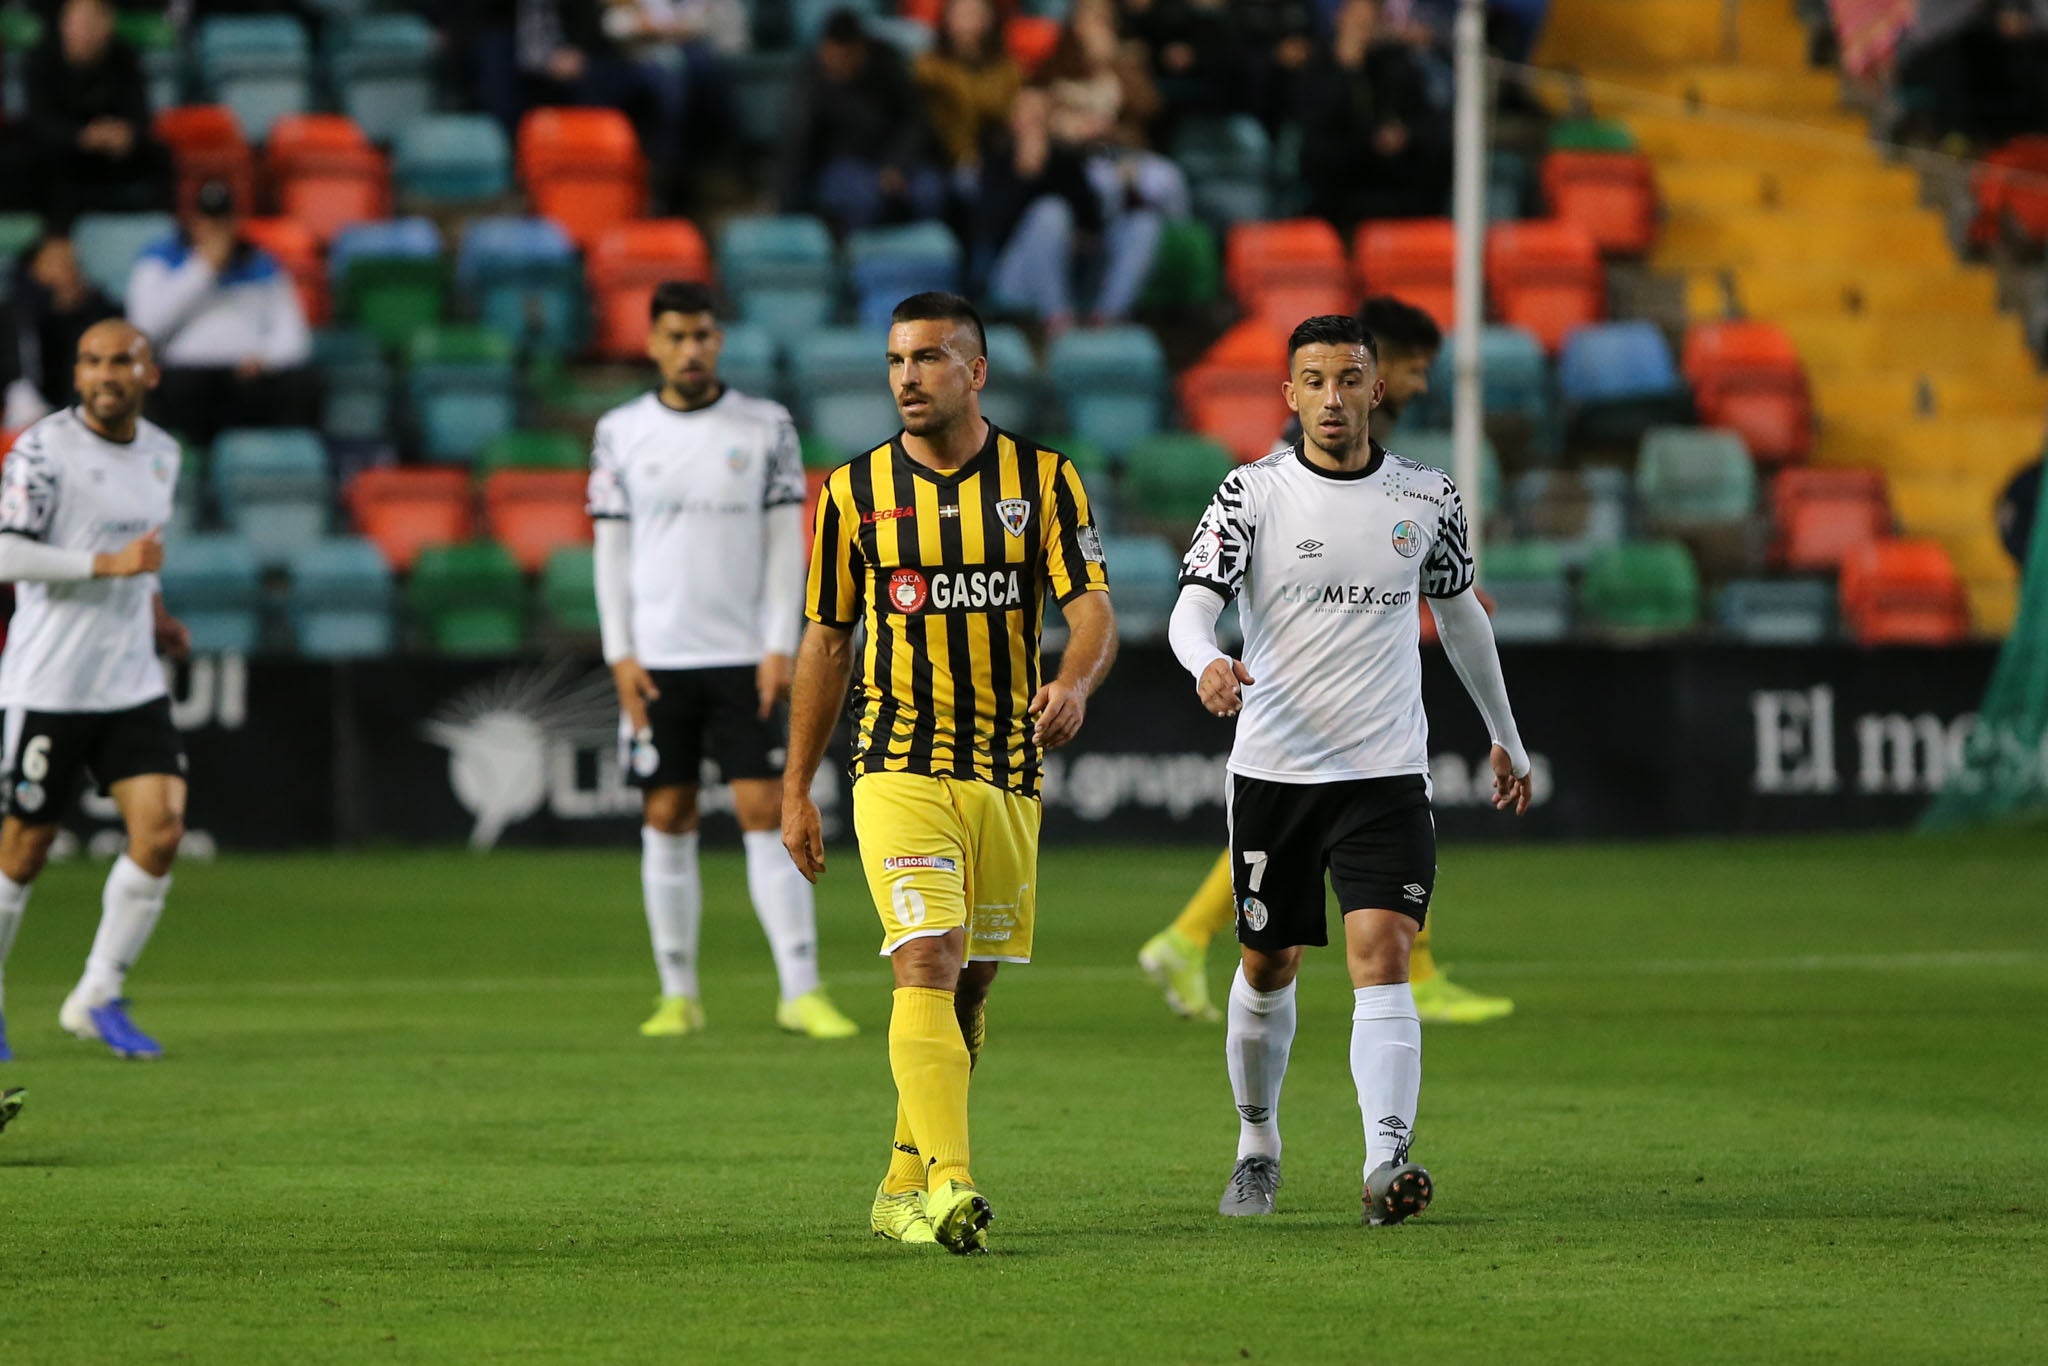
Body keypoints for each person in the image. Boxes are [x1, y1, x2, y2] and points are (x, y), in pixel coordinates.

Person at [1168, 314, 1531, 1224]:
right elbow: (1191, 608)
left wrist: (1505, 733)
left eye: (1350, 379)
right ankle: (1258, 1144)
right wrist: (1205, 660)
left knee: (1385, 953)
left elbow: (1461, 619)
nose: (1334, 397)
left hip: (1384, 772)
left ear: (1377, 389)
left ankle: (1385, 1164)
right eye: (1315, 381)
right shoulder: (1252, 493)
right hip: (1277, 773)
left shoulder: (1428, 496)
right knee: (1267, 961)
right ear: (1290, 395)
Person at [781, 292, 1116, 1254]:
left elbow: (1091, 608)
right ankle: (955, 1186)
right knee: (922, 956)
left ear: (976, 371)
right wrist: (797, 782)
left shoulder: (1044, 482)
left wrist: (1075, 679)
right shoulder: (851, 492)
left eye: (927, 358)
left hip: (1007, 769)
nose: (907, 378)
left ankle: (899, 1185)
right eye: (895, 361)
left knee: (965, 993)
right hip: (897, 761)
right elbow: (827, 639)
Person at [1142, 296, 1515, 1026]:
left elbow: (1389, 546)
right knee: (1278, 943)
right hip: (1294, 714)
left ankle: (1408, 984)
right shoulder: (1281, 470)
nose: (1421, 384)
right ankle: (1190, 942)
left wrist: (1452, 592)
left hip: (1372, 734)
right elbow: (1291, 550)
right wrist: (1206, 660)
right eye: (1417, 367)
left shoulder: (1416, 485)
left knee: (1375, 891)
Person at [587, 281, 858, 1043]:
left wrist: (780, 644)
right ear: (652, 344)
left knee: (766, 811)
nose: (690, 349)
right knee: (665, 812)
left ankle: (800, 989)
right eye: (675, 336)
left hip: (747, 657)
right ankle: (677, 992)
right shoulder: (620, 431)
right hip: (657, 662)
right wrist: (620, 654)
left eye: (702, 335)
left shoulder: (766, 426)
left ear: (719, 340)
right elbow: (610, 553)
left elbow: (784, 548)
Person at [0, 318, 192, 1064]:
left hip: (129, 679)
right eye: (91, 361)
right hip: (50, 680)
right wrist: (104, 566)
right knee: (24, 849)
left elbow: (143, 558)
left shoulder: (163, 455)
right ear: (76, 375)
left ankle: (97, 993)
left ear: (150, 373)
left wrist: (157, 614)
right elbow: (6, 551)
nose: (105, 374)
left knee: (162, 831)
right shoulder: (44, 450)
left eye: (121, 361)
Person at [126, 180, 316, 450]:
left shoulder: (261, 263)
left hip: (247, 376)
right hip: (185, 376)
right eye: (206, 221)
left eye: (222, 222)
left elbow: (294, 337)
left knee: (300, 384)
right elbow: (145, 328)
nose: (214, 231)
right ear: (191, 220)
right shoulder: (160, 259)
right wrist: (204, 268)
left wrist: (265, 359)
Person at [975, 85, 1159, 332]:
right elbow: (988, 233)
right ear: (1011, 118)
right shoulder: (995, 158)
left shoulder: (1065, 157)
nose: (1033, 121)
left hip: (1073, 268)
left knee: (1143, 223)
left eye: (1040, 114)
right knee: (1050, 211)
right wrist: (1024, 176)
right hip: (1014, 273)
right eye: (1026, 113)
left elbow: (1091, 220)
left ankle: (1108, 318)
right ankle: (1057, 320)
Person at [778, 9, 947, 234]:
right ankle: (862, 260)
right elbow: (797, 139)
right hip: (841, 166)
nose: (837, 64)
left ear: (861, 51)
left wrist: (896, 164)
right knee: (865, 200)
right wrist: (787, 204)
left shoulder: (888, 64)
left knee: (931, 192)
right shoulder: (809, 77)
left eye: (844, 58)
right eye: (831, 56)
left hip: (895, 159)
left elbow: (914, 121)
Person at [1297, 0, 1451, 231]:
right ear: (1339, 18)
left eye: (1370, 20)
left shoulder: (1396, 67)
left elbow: (1428, 125)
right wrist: (1347, 70)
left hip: (1396, 186)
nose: (1363, 28)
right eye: (1357, 20)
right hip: (1340, 190)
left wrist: (1404, 136)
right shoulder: (1318, 68)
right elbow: (1317, 138)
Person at [16, 0, 174, 217]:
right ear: (64, 24)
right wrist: (82, 136)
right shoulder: (41, 59)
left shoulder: (124, 57)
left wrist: (126, 133)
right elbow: (37, 123)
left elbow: (140, 116)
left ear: (109, 25)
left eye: (95, 21)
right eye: (80, 22)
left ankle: (161, 228)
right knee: (36, 160)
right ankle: (56, 237)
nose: (87, 31)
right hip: (66, 153)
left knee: (160, 155)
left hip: (111, 154)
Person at [0, 234, 121, 432]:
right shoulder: (13, 315)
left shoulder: (94, 308)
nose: (68, 269)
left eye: (72, 263)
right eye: (57, 262)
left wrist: (82, 307)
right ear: (34, 267)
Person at [915, 0, 1024, 175]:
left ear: (990, 18)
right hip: (941, 159)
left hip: (996, 158)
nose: (967, 22)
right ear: (946, 18)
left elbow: (1011, 116)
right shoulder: (927, 68)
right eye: (961, 14)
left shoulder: (1009, 70)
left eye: (975, 13)